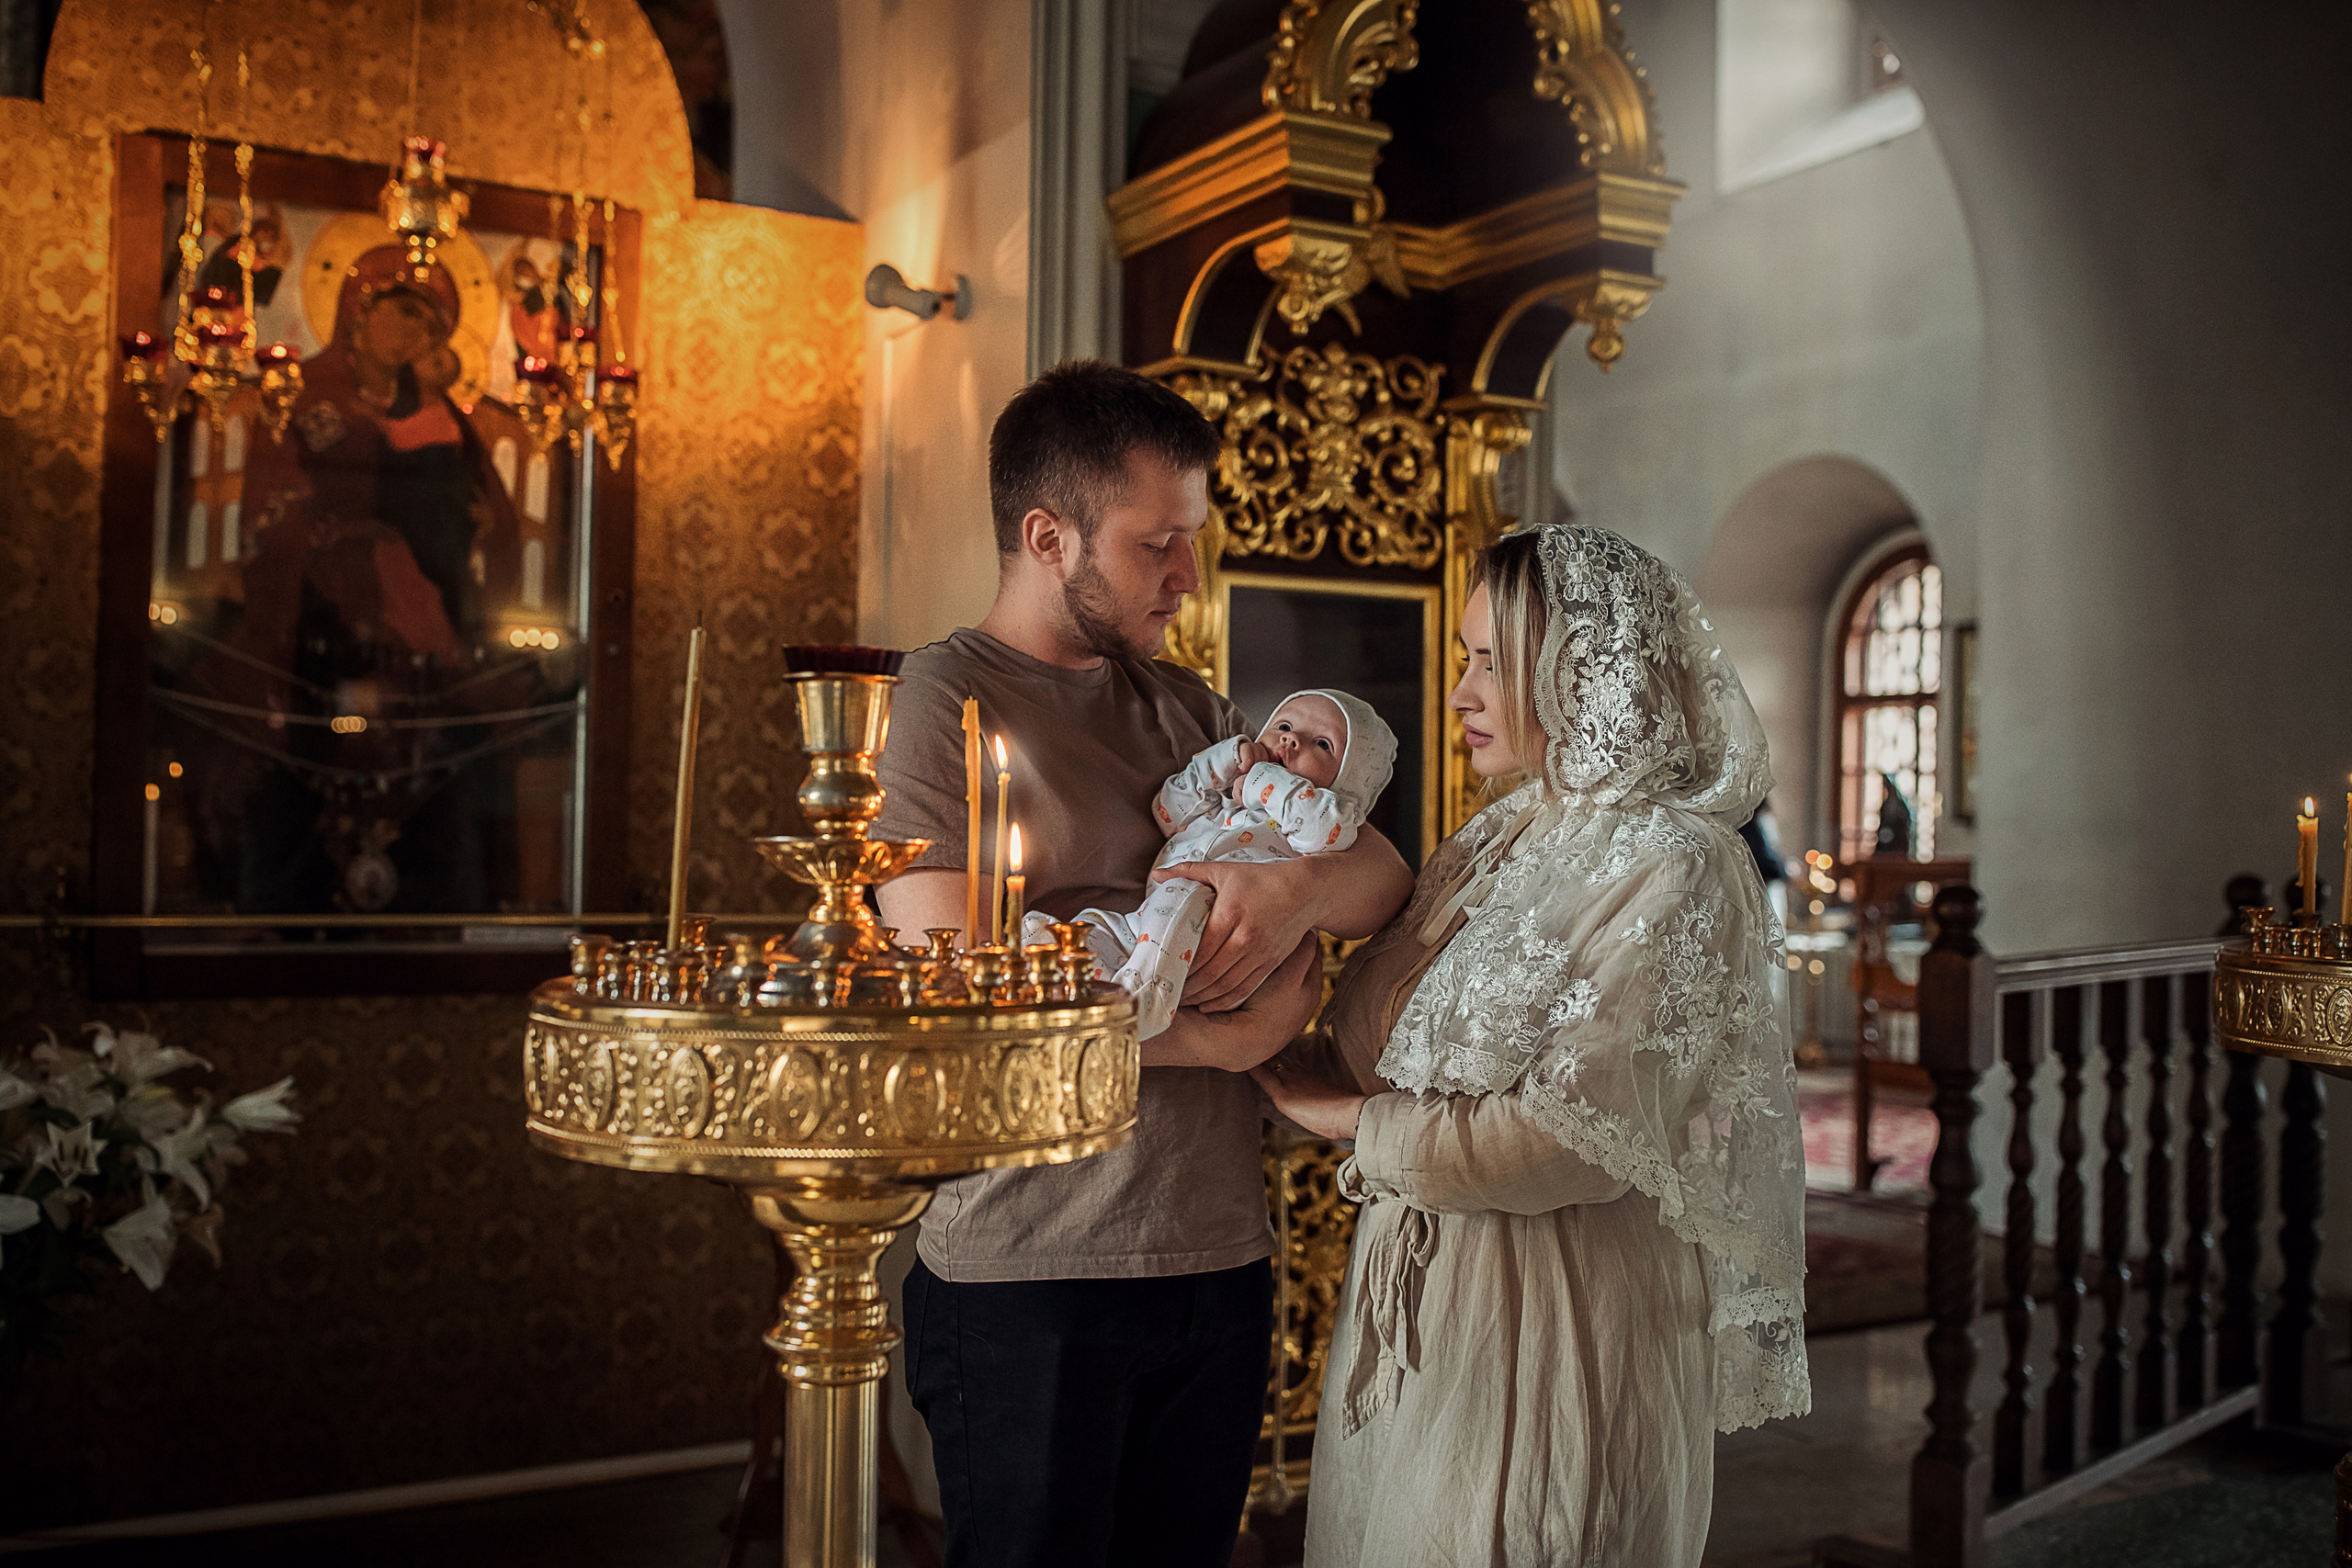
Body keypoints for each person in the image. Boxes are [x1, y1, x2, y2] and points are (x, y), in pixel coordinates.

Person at [871, 361, 1415, 1568]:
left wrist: (1293, 889)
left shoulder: (1191, 706)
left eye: (1193, 540)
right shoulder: (944, 692)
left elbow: (1380, 875)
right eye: (1159, 543)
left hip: (1218, 1249)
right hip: (1032, 1262)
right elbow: (953, 978)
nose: (1189, 576)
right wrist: (1224, 1038)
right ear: (1047, 534)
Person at [1254, 525, 1811, 1568]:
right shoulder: (1494, 835)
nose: (1459, 693)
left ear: (1580, 670)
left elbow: (1575, 1139)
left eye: (1487, 662)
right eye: (1463, 658)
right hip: (1427, 1317)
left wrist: (1340, 1120)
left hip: (1562, 1326)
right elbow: (1380, 1039)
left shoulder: (1680, 863)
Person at [1028, 688, 1397, 1038]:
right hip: (1152, 928)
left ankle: (1140, 1006)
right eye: (1283, 727)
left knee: (1179, 892)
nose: (1290, 740)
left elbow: (1324, 828)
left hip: (1228, 952)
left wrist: (1261, 780)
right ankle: (1055, 964)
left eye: (1322, 744)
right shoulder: (1223, 804)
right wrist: (1224, 763)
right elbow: (1167, 811)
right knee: (1096, 927)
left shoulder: (1320, 821)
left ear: (1347, 786)